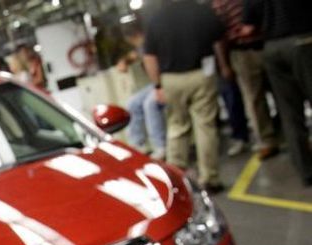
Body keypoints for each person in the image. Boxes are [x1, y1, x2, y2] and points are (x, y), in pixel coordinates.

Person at [144, 0, 228, 192]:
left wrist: (157, 85)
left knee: (177, 126)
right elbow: (219, 41)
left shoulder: (156, 20)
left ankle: (176, 178)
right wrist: (224, 66)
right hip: (201, 74)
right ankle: (210, 179)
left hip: (171, 80)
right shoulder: (202, 12)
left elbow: (149, 57)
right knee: (205, 126)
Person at [245, 0, 312, 186]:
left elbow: (248, 24)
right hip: (302, 40)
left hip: (272, 48)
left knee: (289, 113)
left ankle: (306, 172)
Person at [213, 0, 281, 160]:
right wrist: (224, 64)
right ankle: (267, 140)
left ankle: (289, 133)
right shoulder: (219, 3)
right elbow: (219, 35)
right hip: (242, 51)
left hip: (269, 43)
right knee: (254, 98)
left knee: (282, 94)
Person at [119, 25, 167, 159]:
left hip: (168, 81)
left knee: (150, 104)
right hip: (155, 84)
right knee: (132, 103)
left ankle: (160, 146)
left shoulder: (155, 41)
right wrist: (125, 61)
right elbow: (130, 58)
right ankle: (137, 145)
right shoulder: (141, 47)